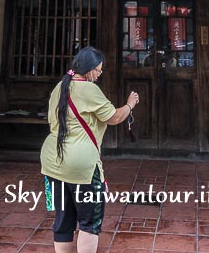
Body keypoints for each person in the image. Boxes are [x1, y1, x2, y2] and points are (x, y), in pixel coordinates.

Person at [40, 47, 140, 253]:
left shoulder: (59, 87)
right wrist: (130, 105)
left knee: (63, 221)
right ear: (88, 69)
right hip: (81, 167)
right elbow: (113, 117)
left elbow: (52, 122)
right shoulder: (89, 89)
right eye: (98, 70)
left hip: (53, 162)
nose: (99, 74)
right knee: (89, 223)